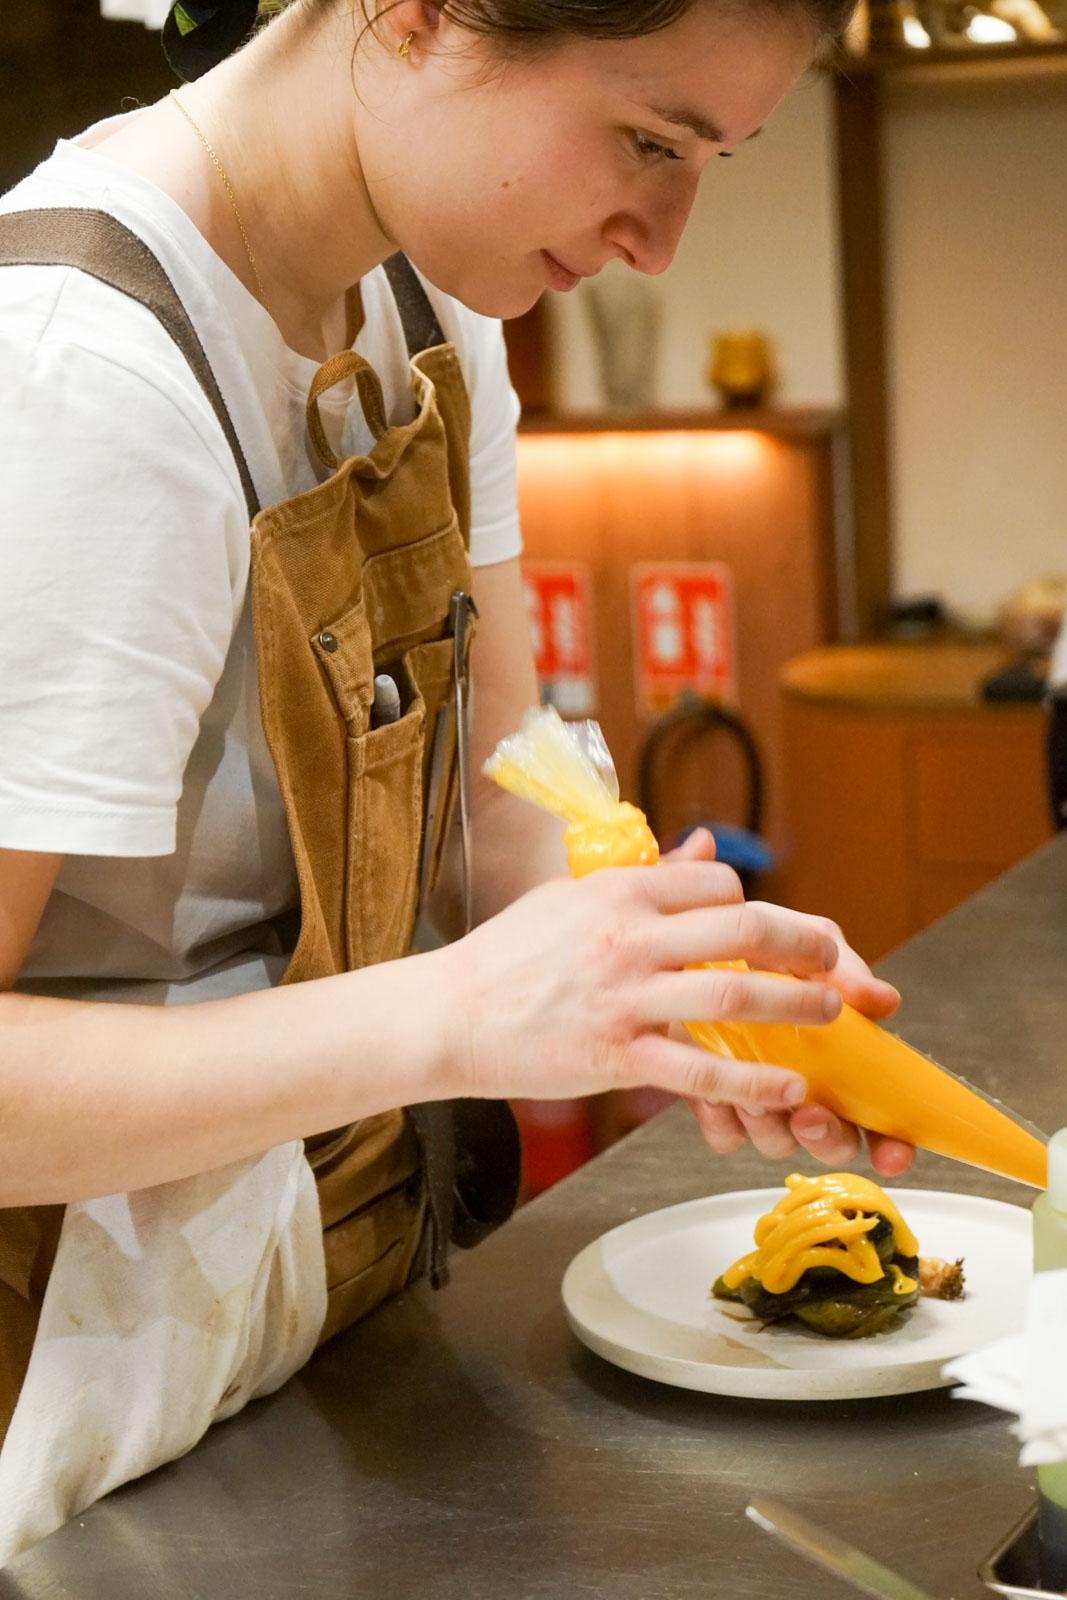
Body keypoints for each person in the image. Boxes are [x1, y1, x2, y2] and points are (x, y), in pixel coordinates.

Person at [0, 0, 912, 1561]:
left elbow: (502, 794)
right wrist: (458, 1013)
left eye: (713, 162)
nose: (663, 237)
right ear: (416, 13)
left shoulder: (431, 316)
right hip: (68, 1430)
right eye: (647, 140)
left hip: (304, 1335)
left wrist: (683, 981)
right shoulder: (84, 375)